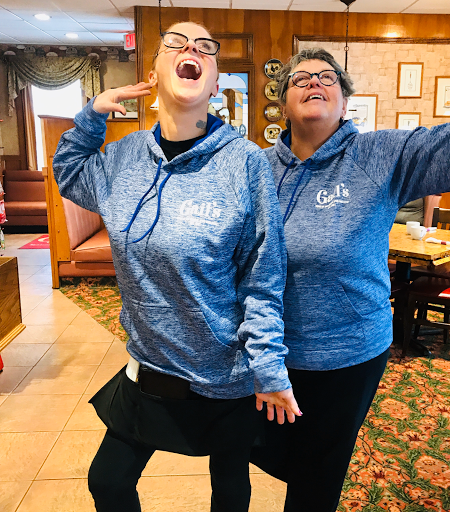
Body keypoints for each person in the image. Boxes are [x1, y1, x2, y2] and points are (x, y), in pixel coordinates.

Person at [249, 47, 450, 512]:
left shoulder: (379, 154)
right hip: (268, 348)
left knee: (316, 477)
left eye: (328, 77)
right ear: (283, 104)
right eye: (301, 79)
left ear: (345, 102)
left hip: (347, 353)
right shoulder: (256, 169)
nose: (315, 83)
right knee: (262, 451)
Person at [52, 21, 300, 512]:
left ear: (215, 82)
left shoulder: (246, 163)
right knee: (108, 481)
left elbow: (263, 275)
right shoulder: (123, 158)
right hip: (149, 364)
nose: (192, 50)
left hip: (223, 372)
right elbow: (69, 173)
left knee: (229, 488)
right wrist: (92, 115)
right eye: (177, 44)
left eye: (206, 48)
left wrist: (269, 365)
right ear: (153, 74)